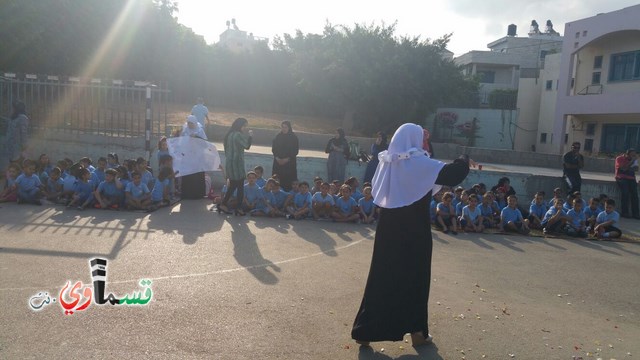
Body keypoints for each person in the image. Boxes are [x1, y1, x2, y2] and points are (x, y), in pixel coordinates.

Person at [352, 123, 470, 347]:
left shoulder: (388, 162)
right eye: (422, 137)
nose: (425, 141)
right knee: (415, 279)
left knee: (381, 277)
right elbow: (453, 174)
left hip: (388, 232)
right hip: (414, 232)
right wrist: (463, 158)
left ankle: (365, 332)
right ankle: (417, 332)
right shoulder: (418, 163)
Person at [218, 117, 252, 215]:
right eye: (244, 126)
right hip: (237, 164)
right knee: (240, 186)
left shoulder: (228, 135)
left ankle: (223, 204)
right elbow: (247, 146)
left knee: (232, 186)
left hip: (230, 163)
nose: (245, 128)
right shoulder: (238, 135)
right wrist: (250, 136)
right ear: (240, 125)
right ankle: (239, 208)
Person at [271, 121, 299, 191]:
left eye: (285, 127)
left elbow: (295, 151)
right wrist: (277, 159)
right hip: (278, 163)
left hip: (289, 164)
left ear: (289, 128)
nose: (284, 129)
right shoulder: (278, 136)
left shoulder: (293, 138)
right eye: (282, 127)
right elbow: (274, 149)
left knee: (288, 181)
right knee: (277, 179)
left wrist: (286, 159)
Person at [614, 149, 639, 219]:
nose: (633, 157)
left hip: (631, 178)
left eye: (634, 155)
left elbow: (636, 169)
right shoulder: (619, 158)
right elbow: (622, 168)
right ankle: (625, 212)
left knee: (635, 194)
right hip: (621, 177)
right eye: (632, 155)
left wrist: (628, 167)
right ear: (627, 154)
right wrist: (631, 162)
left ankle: (636, 213)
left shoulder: (634, 160)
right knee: (625, 193)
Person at [5, 101, 30, 165]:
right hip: (15, 146)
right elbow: (23, 133)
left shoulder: (18, 118)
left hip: (15, 146)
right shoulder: (19, 117)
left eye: (14, 108)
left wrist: (24, 145)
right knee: (16, 164)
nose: (12, 109)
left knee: (15, 164)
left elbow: (23, 132)